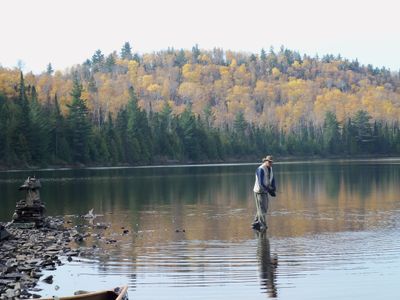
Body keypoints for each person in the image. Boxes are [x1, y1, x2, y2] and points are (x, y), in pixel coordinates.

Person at [252, 155, 276, 231]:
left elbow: (272, 179)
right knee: (262, 209)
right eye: (269, 162)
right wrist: (269, 190)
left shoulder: (270, 169)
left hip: (265, 191)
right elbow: (261, 183)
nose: (270, 163)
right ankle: (263, 225)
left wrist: (274, 188)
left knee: (264, 208)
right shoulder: (260, 169)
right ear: (265, 161)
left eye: (271, 162)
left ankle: (255, 223)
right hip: (259, 192)